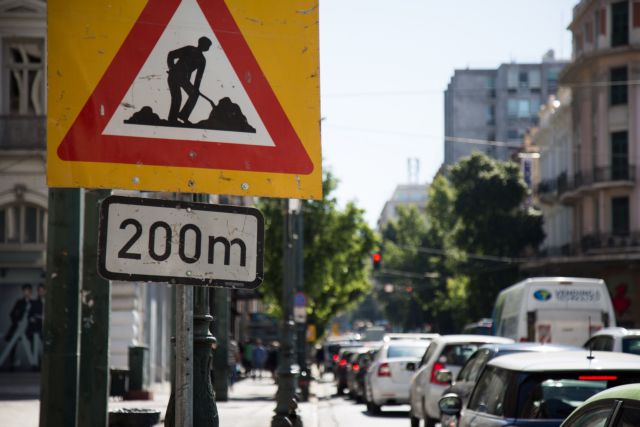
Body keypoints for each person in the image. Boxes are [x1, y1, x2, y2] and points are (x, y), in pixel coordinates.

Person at [166, 36, 212, 124]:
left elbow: (198, 77)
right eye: (208, 45)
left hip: (183, 79)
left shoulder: (202, 60)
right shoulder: (189, 49)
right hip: (174, 75)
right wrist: (172, 68)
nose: (208, 47)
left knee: (194, 94)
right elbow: (171, 54)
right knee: (177, 97)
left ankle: (183, 116)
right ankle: (172, 119)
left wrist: (196, 89)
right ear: (202, 44)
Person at [4, 284, 33, 371]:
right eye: (25, 291)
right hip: (18, 326)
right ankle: (12, 362)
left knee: (33, 342)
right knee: (13, 344)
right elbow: (12, 314)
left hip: (29, 327)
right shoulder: (19, 302)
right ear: (23, 291)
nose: (26, 293)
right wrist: (18, 321)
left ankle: (35, 363)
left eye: (28, 291)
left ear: (30, 291)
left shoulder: (34, 302)